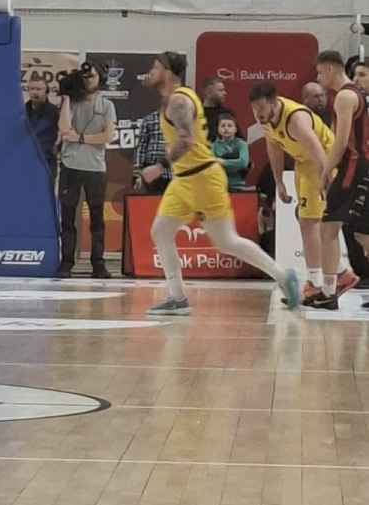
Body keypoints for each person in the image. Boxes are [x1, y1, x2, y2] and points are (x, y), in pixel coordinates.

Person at [145, 52, 300, 316]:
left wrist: (160, 166)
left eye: (156, 67)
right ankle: (177, 297)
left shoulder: (180, 101)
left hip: (202, 177)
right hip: (184, 179)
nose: (151, 71)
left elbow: (187, 140)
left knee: (226, 241)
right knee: (160, 231)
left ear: (169, 72)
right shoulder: (173, 99)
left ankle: (283, 276)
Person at [248, 81, 354, 303]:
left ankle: (323, 282)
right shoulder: (266, 120)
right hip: (304, 164)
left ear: (274, 103)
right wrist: (278, 181)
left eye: (261, 108)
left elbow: (318, 150)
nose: (257, 114)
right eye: (254, 109)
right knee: (306, 221)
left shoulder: (295, 119)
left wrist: (327, 180)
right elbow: (274, 147)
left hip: (325, 161)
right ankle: (333, 275)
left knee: (316, 223)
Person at [314, 50, 369, 311]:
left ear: (329, 70)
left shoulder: (345, 96)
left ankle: (329, 291)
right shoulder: (349, 94)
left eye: (319, 72)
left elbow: (341, 141)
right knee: (362, 233)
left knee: (328, 227)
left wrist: (324, 172)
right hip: (358, 165)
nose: (317, 78)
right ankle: (329, 289)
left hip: (354, 166)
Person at [57, 61, 115, 279]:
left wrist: (80, 138)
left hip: (95, 168)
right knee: (67, 218)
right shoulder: (72, 103)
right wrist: (66, 96)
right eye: (84, 77)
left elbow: (107, 136)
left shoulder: (106, 105)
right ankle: (66, 262)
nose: (88, 80)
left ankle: (98, 263)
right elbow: (64, 129)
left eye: (92, 76)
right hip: (70, 166)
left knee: (97, 219)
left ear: (100, 78)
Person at [25, 78, 60, 179]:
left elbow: (62, 132)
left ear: (47, 91)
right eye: (32, 89)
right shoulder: (22, 112)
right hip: (25, 161)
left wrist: (57, 147)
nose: (35, 92)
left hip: (46, 161)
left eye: (39, 89)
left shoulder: (54, 112)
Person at [132, 107, 172, 194]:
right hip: (152, 171)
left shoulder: (180, 119)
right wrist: (137, 172)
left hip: (175, 172)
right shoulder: (150, 119)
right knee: (154, 201)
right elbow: (141, 147)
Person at [211, 113, 250, 191]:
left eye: (229, 126)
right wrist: (234, 164)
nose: (226, 128)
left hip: (238, 187)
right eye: (223, 126)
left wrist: (224, 162)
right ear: (218, 129)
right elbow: (211, 165)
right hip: (219, 186)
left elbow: (243, 162)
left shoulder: (241, 144)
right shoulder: (214, 146)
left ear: (235, 129)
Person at [200, 74, 236, 142]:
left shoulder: (227, 113)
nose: (225, 93)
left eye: (224, 90)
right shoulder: (196, 112)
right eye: (220, 90)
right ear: (208, 93)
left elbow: (238, 138)